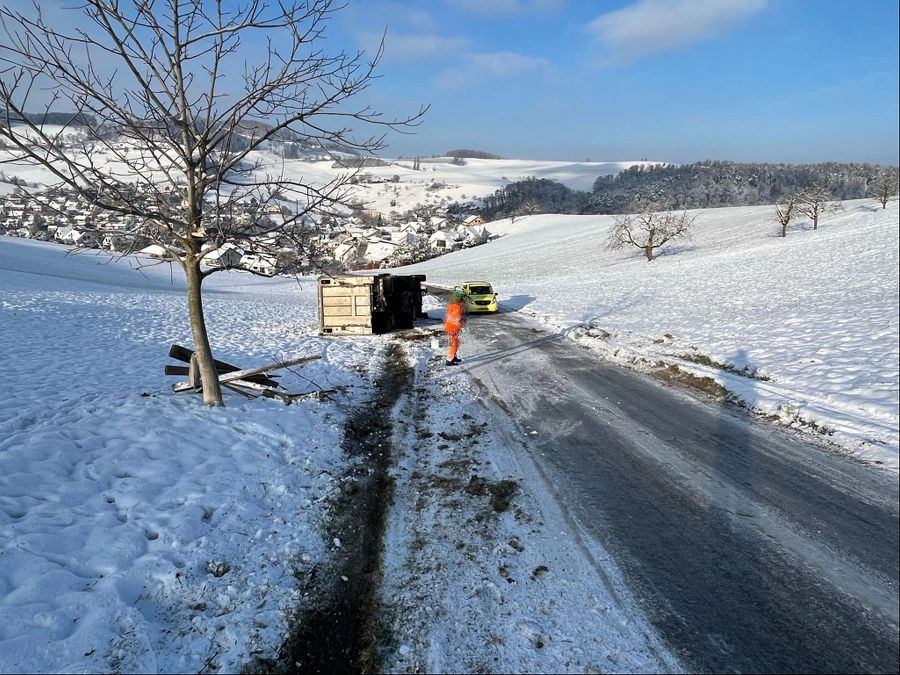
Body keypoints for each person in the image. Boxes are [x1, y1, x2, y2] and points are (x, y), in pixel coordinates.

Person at [444, 287, 468, 365]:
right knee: (453, 344)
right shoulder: (457, 307)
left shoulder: (453, 305)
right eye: (464, 300)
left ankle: (454, 357)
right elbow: (455, 319)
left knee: (456, 342)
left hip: (451, 327)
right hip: (452, 328)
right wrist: (461, 323)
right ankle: (449, 360)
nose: (465, 302)